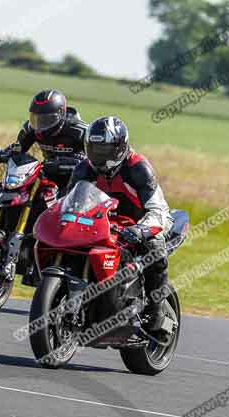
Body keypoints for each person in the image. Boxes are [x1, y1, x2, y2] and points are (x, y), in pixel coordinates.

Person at [67, 116, 174, 342]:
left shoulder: (138, 168)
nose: (98, 155)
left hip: (142, 223)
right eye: (94, 149)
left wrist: (141, 230)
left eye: (104, 149)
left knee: (154, 248)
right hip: (103, 224)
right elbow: (66, 203)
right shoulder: (84, 169)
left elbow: (157, 210)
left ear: (119, 147)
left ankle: (155, 312)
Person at [11, 89, 88, 189]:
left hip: (78, 182)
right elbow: (17, 150)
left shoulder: (81, 131)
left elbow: (96, 162)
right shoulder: (31, 128)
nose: (40, 125)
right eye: (36, 118)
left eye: (46, 119)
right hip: (48, 177)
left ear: (61, 114)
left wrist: (73, 162)